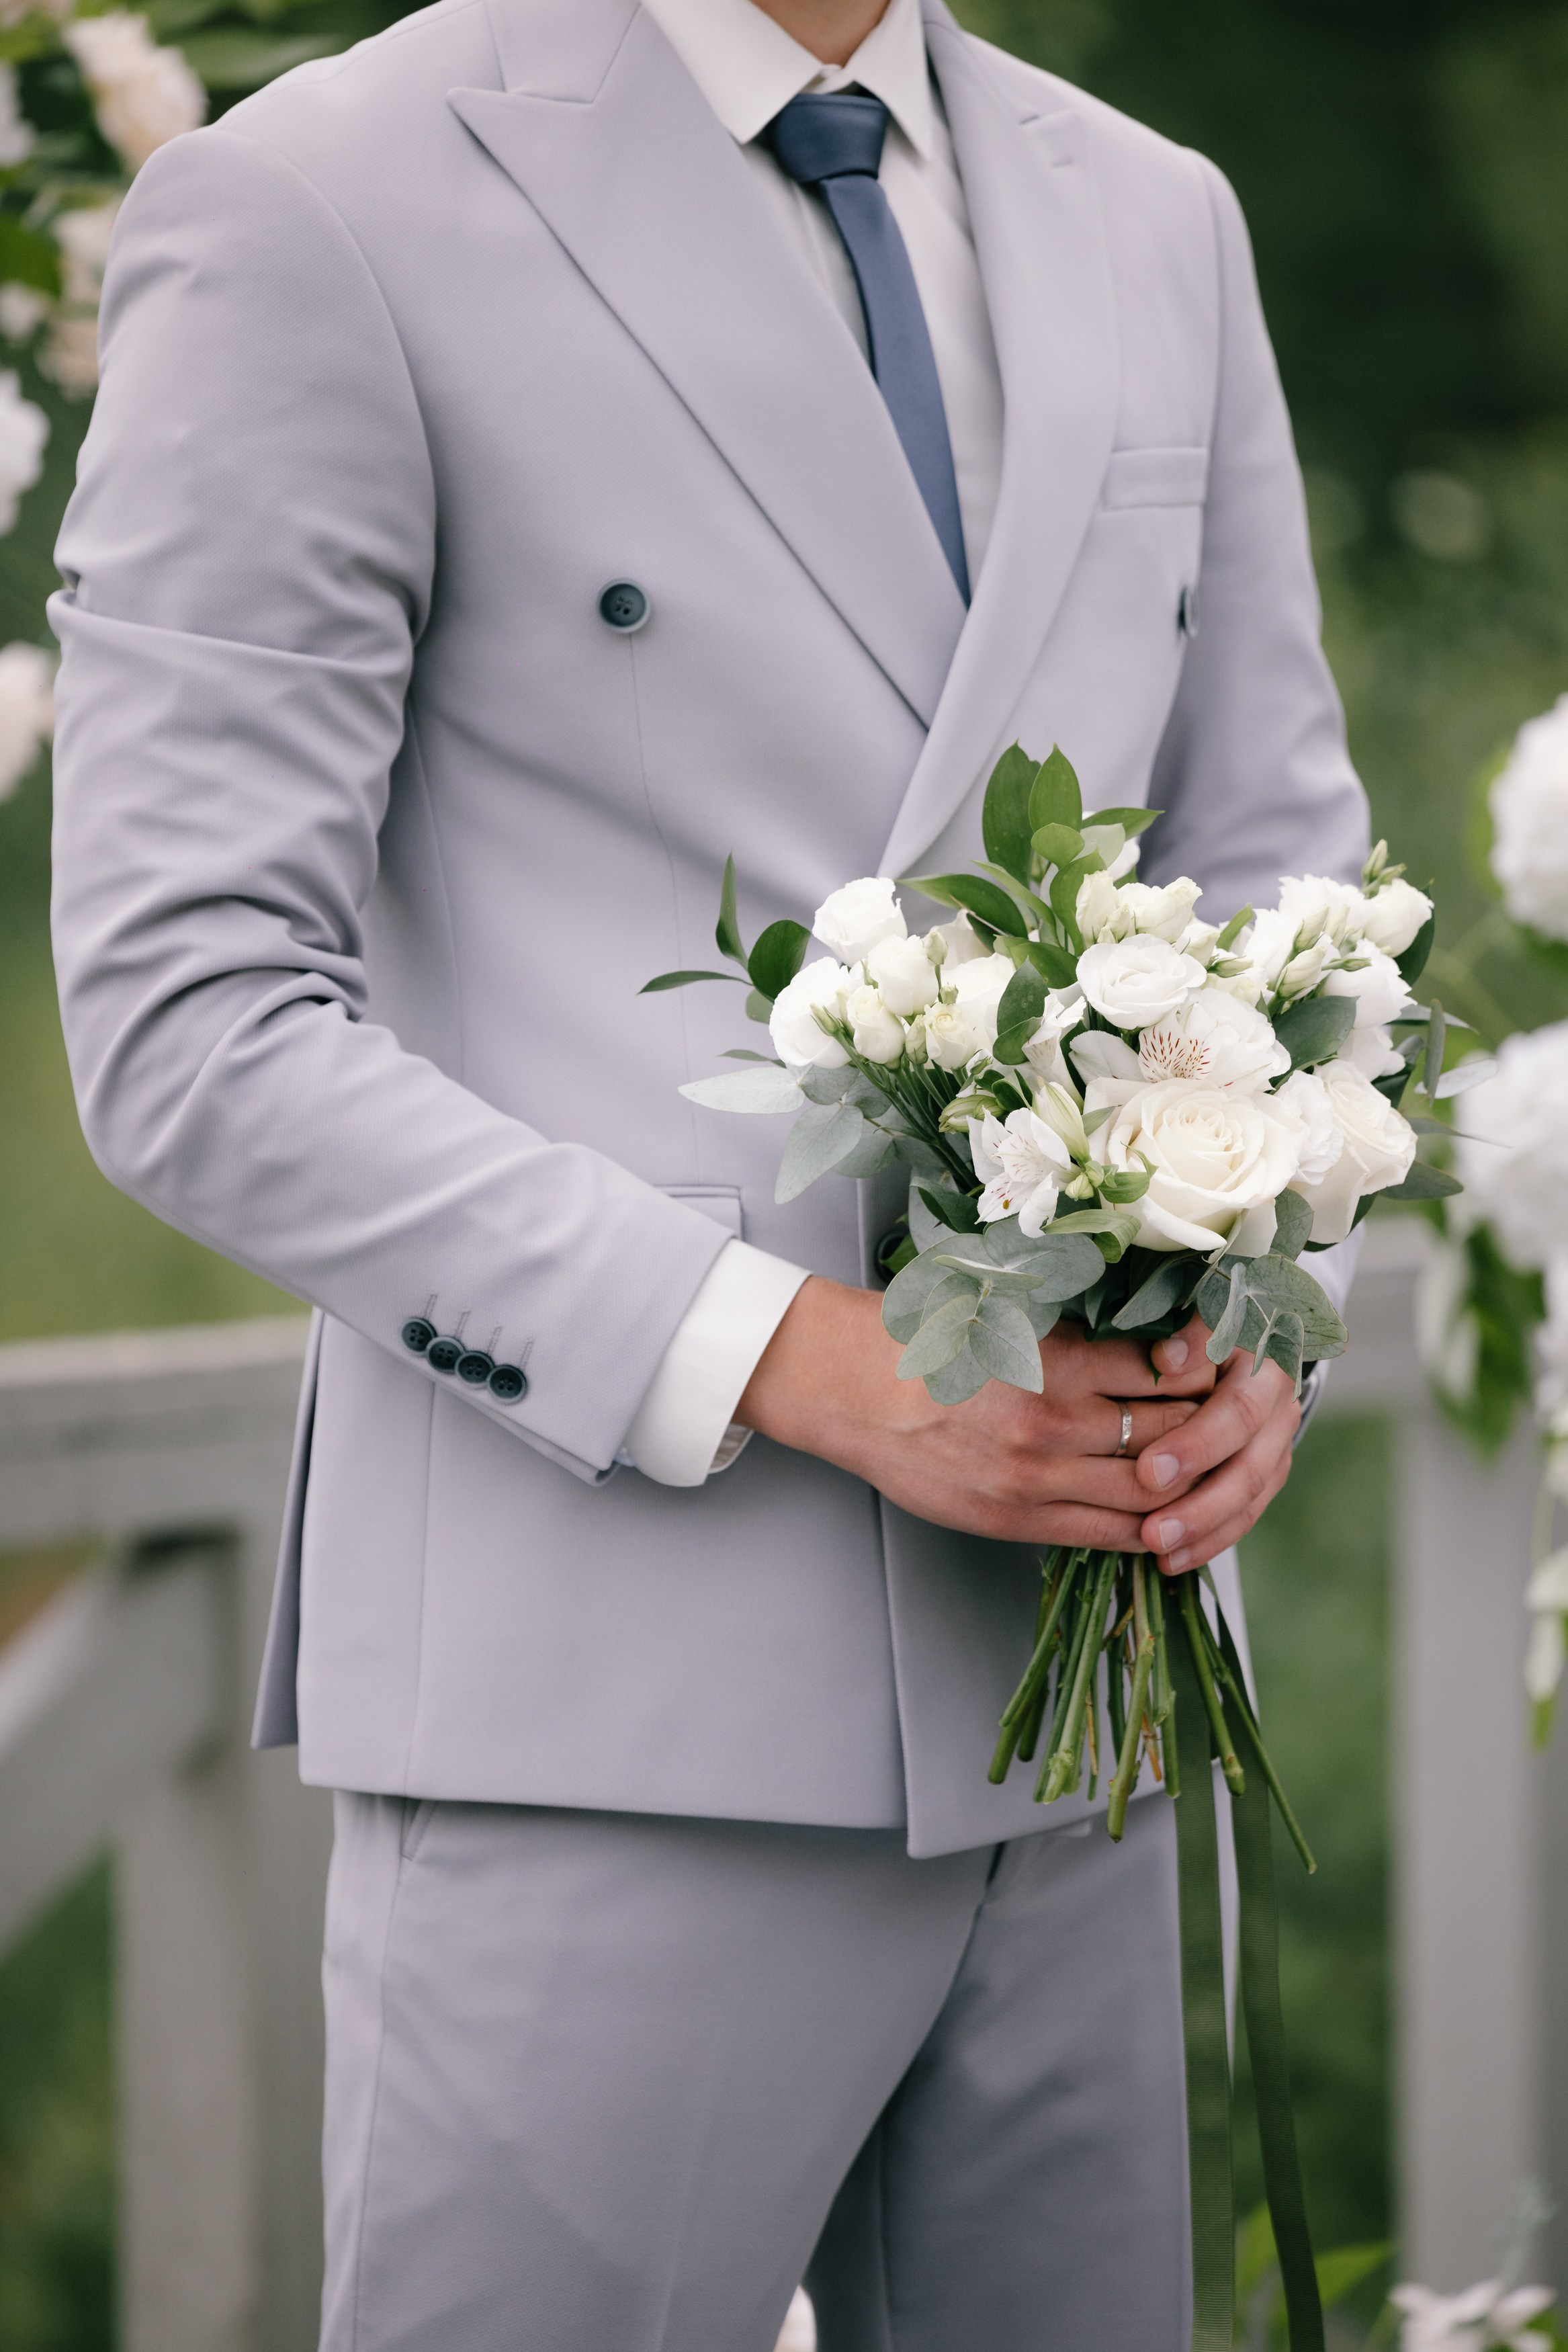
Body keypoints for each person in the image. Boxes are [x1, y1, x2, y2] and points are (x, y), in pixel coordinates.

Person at [49, 0, 1367, 2341]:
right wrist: (806, 1359)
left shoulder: (1154, 210)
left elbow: (1291, 893)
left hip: (1091, 1695)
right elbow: (194, 1023)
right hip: (609, 1708)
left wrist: (1263, 1320)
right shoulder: (317, 201)